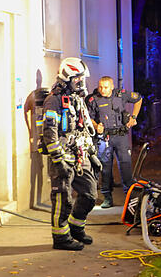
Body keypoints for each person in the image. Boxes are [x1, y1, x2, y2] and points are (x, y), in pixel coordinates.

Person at [39, 57, 100, 250]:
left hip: (81, 155)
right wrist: (58, 160)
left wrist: (92, 153)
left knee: (90, 194)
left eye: (82, 79)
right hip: (63, 157)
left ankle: (76, 227)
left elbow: (83, 127)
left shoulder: (77, 98)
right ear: (66, 78)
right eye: (77, 79)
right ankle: (61, 238)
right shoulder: (53, 100)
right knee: (63, 199)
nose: (81, 83)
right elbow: (49, 132)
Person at [86, 76, 142, 208]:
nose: (102, 90)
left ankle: (130, 197)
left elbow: (138, 99)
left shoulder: (121, 95)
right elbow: (89, 117)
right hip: (104, 138)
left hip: (121, 137)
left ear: (112, 87)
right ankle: (107, 197)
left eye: (105, 87)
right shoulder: (93, 99)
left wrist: (134, 117)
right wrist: (95, 126)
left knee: (125, 165)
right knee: (105, 168)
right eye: (100, 87)